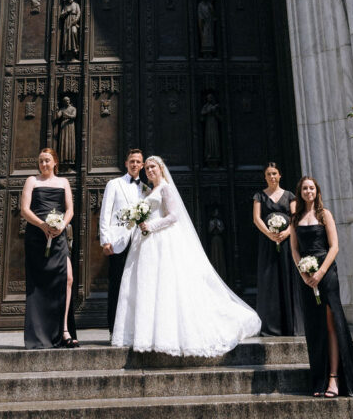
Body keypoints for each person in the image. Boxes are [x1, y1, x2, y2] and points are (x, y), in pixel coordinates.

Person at [112, 155, 261, 356]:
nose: (149, 170)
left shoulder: (165, 187)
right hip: (147, 241)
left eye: (152, 166)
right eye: (147, 168)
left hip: (161, 239)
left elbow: (174, 216)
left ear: (161, 168)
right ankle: (146, 334)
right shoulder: (149, 190)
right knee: (147, 286)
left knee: (164, 286)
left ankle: (166, 335)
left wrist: (151, 225)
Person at [290, 176, 353, 397]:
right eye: (305, 188)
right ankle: (320, 379)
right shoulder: (295, 219)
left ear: (317, 191)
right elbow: (295, 250)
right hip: (306, 276)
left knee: (331, 323)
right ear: (300, 192)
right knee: (315, 327)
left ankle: (334, 379)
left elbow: (334, 247)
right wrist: (304, 273)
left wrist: (320, 272)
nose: (308, 192)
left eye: (312, 188)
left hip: (326, 273)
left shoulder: (325, 215)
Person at [20, 147, 78, 348]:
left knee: (67, 278)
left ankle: (63, 329)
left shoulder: (63, 182)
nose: (44, 164)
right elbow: (25, 209)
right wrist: (43, 225)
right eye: (41, 161)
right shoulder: (32, 181)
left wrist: (61, 225)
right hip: (37, 236)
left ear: (55, 162)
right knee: (39, 285)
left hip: (58, 235)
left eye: (47, 160)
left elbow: (69, 209)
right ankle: (39, 334)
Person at [99, 149, 146, 335]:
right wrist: (105, 240)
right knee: (116, 287)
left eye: (138, 162)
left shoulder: (145, 189)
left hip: (138, 244)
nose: (135, 164)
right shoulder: (114, 184)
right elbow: (105, 213)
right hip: (117, 243)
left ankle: (133, 330)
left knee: (135, 287)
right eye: (132, 161)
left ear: (142, 166)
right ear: (126, 163)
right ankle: (114, 330)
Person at [252, 162, 302, 336]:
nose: (272, 177)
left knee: (287, 275)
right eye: (268, 174)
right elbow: (257, 218)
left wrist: (287, 232)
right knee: (270, 278)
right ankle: (271, 325)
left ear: (280, 175)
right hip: (268, 243)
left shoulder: (289, 196)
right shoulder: (260, 196)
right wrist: (269, 234)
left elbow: (295, 217)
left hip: (287, 242)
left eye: (274, 173)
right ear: (265, 177)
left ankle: (291, 324)